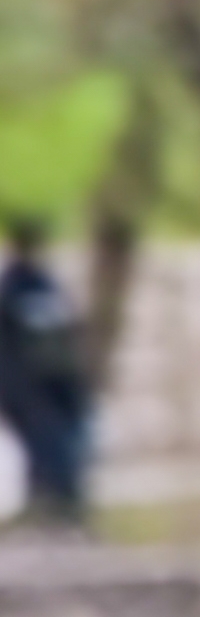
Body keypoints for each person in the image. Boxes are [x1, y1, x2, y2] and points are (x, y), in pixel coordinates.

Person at [0, 218, 91, 525]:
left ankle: (58, 502)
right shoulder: (20, 288)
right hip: (30, 385)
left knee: (56, 443)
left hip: (51, 382)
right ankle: (52, 503)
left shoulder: (39, 284)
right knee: (46, 443)